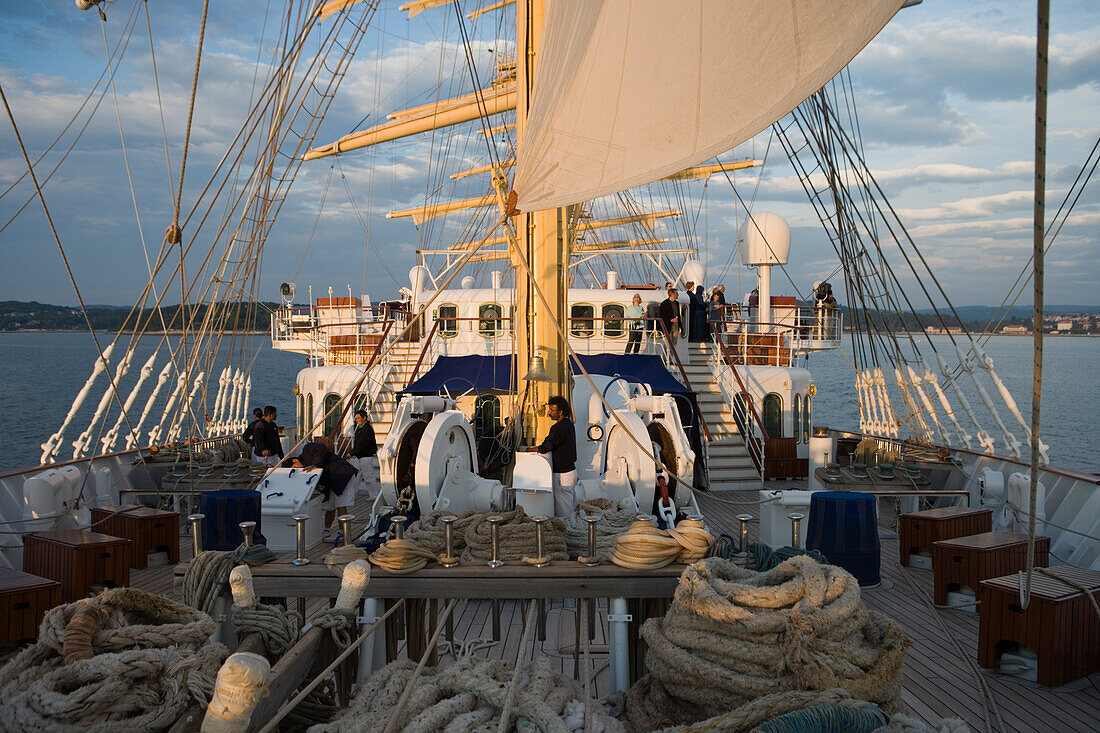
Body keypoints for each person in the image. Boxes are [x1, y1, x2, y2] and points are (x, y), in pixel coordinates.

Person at [292, 441, 358, 537]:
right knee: (331, 506)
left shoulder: (307, 450)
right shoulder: (308, 465)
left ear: (294, 461)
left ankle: (343, 533)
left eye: (294, 467)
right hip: (334, 478)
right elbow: (325, 472)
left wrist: (316, 464)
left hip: (343, 474)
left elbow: (321, 446)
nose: (298, 469)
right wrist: (322, 486)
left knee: (341, 504)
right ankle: (326, 530)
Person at [533, 396, 577, 517]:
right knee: (569, 505)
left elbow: (547, 446)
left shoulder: (558, 428)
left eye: (552, 410)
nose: (549, 413)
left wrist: (530, 449)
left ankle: (567, 533)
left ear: (560, 412)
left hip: (562, 475)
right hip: (570, 471)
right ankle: (572, 529)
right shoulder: (569, 424)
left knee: (563, 511)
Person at [345, 409, 379, 500]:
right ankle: (352, 493)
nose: (357, 420)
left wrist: (351, 453)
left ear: (364, 418)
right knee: (356, 475)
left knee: (368, 476)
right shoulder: (361, 428)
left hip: (366, 456)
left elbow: (361, 444)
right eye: (356, 418)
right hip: (360, 456)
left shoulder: (367, 429)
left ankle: (374, 495)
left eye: (359, 418)